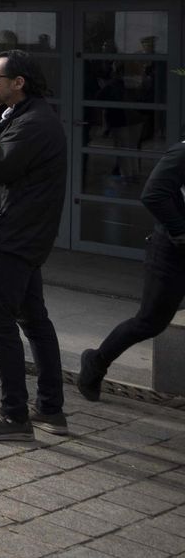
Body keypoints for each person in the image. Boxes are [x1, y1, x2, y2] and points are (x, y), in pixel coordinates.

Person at [0, 49, 68, 441]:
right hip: (24, 232)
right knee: (33, 319)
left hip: (14, 236)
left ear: (18, 83)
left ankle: (14, 417)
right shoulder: (27, 116)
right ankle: (50, 409)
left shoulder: (33, 123)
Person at [79, 141, 185, 401]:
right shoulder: (182, 153)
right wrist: (181, 231)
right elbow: (153, 194)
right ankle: (96, 361)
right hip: (172, 251)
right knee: (150, 321)